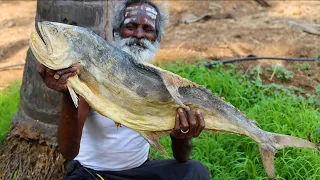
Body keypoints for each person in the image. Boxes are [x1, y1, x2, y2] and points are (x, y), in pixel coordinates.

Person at [38, 0, 211, 179]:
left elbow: (182, 157)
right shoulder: (94, 73)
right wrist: (68, 95)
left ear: (157, 38)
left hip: (140, 172)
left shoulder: (163, 83)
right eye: (131, 26)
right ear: (116, 32)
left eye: (148, 29)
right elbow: (69, 152)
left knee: (195, 171)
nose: (138, 35)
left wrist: (182, 135)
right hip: (92, 174)